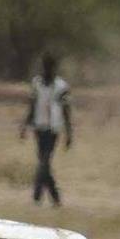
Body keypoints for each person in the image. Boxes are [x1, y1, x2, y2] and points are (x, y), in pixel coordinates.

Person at [22, 57, 73, 206]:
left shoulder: (61, 86)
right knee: (43, 163)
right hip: (39, 126)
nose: (47, 71)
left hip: (53, 128)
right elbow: (32, 105)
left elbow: (66, 110)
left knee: (44, 162)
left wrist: (69, 133)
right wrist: (25, 125)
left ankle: (36, 196)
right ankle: (55, 198)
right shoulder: (36, 84)